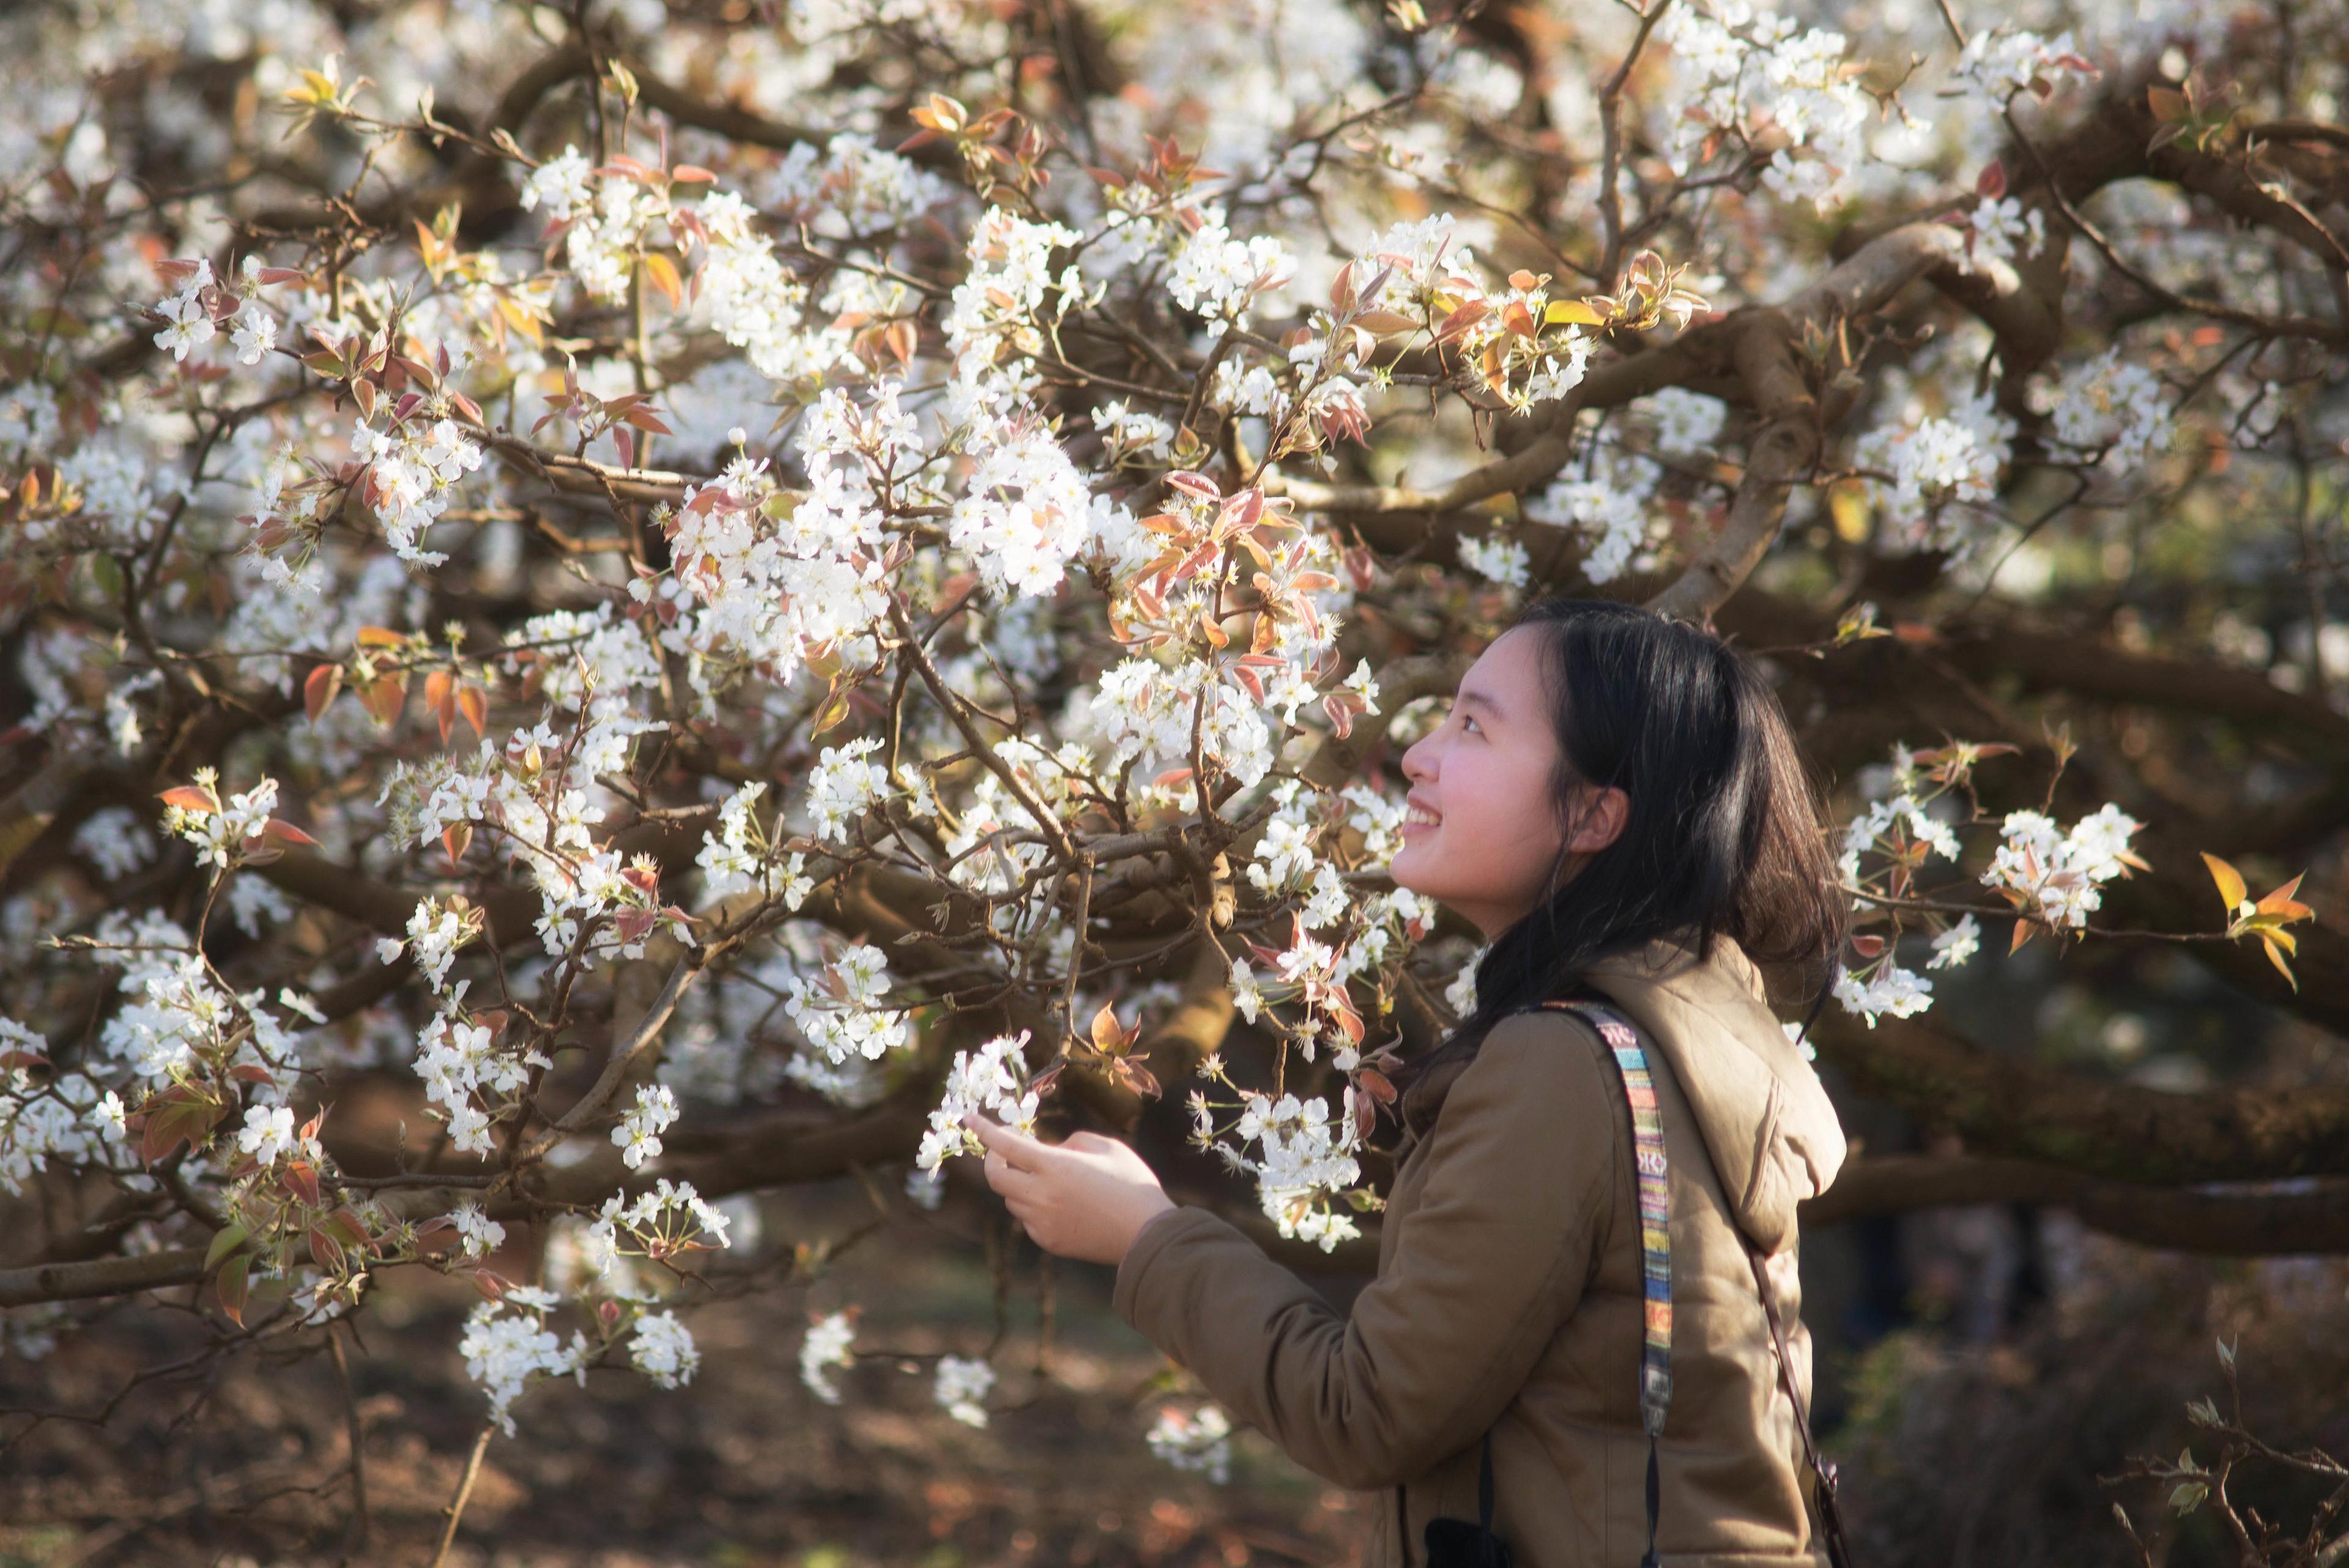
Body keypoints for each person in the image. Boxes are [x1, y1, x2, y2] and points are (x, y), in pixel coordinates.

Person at [964, 596, 1854, 1566]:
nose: (1420, 756)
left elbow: (1367, 1409)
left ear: (1595, 814)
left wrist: (1145, 1235)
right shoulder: (1697, 1031)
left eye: (1473, 726)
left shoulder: (1565, 1069)